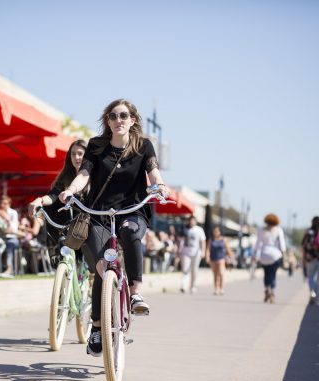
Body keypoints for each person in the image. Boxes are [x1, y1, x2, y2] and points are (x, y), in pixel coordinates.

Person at [58, 99, 169, 357]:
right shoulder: (96, 146)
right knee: (102, 267)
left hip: (132, 211)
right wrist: (71, 190)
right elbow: (85, 172)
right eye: (113, 116)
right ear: (107, 121)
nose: (118, 120)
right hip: (98, 214)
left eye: (123, 115)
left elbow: (153, 171)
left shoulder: (143, 146)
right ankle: (97, 328)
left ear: (132, 120)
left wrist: (160, 185)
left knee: (131, 233)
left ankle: (135, 294)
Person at [27, 139, 88, 247]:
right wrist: (39, 200)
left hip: (91, 228)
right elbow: (52, 196)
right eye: (73, 154)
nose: (76, 157)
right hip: (69, 229)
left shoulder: (95, 177)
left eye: (80, 154)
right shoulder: (65, 178)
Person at [252, 213, 286, 303]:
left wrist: (254, 255)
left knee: (266, 274)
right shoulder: (278, 230)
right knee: (273, 274)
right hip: (275, 255)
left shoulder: (261, 230)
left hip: (264, 255)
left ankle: (267, 288)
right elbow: (282, 245)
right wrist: (284, 256)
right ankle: (272, 291)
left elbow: (258, 244)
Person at [178, 215, 206, 293]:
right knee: (185, 269)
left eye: (193, 220)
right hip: (185, 252)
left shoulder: (199, 230)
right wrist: (179, 250)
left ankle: (193, 285)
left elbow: (203, 241)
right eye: (190, 220)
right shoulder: (184, 229)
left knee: (194, 270)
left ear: (195, 222)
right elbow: (180, 240)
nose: (191, 222)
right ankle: (184, 285)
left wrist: (203, 251)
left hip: (196, 253)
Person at [206, 226, 234, 295]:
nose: (215, 232)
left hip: (221, 258)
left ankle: (221, 288)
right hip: (213, 258)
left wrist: (231, 257)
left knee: (221, 273)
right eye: (214, 231)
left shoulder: (223, 240)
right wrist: (207, 257)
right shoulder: (211, 240)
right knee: (215, 274)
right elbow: (208, 249)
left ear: (220, 232)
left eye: (217, 231)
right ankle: (216, 288)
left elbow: (228, 249)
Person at [0, 195, 20, 277]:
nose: (2, 205)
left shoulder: (13, 213)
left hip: (12, 238)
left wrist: (6, 219)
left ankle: (9, 269)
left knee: (10, 244)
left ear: (9, 204)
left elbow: (13, 229)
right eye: (1, 203)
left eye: (5, 203)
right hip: (1, 237)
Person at [301, 216, 319, 305]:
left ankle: (312, 292)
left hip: (310, 258)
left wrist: (304, 258)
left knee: (311, 277)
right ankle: (316, 297)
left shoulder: (308, 233)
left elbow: (304, 246)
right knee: (317, 278)